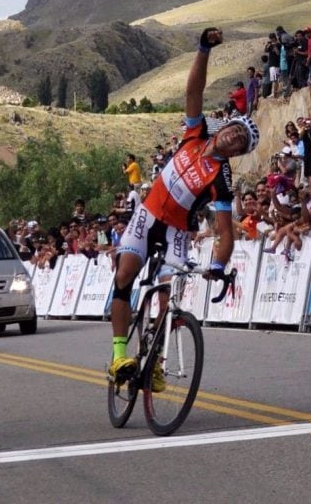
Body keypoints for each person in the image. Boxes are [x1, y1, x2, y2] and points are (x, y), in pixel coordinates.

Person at [108, 27, 259, 389]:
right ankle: (118, 358)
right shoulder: (196, 133)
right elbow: (194, 91)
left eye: (239, 143)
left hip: (176, 231)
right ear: (225, 128)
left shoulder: (220, 178)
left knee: (166, 296)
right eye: (234, 131)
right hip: (147, 215)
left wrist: (219, 266)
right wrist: (203, 49)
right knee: (125, 274)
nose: (233, 139)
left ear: (237, 153)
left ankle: (156, 362)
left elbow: (226, 233)